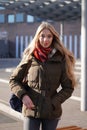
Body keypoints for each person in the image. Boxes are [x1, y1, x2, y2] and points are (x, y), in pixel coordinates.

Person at [9, 21, 76, 130]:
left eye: (49, 36)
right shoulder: (30, 56)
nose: (46, 40)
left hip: (52, 111)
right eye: (42, 36)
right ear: (37, 37)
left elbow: (68, 87)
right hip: (31, 110)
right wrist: (23, 96)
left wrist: (54, 102)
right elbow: (14, 80)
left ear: (53, 38)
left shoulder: (61, 59)